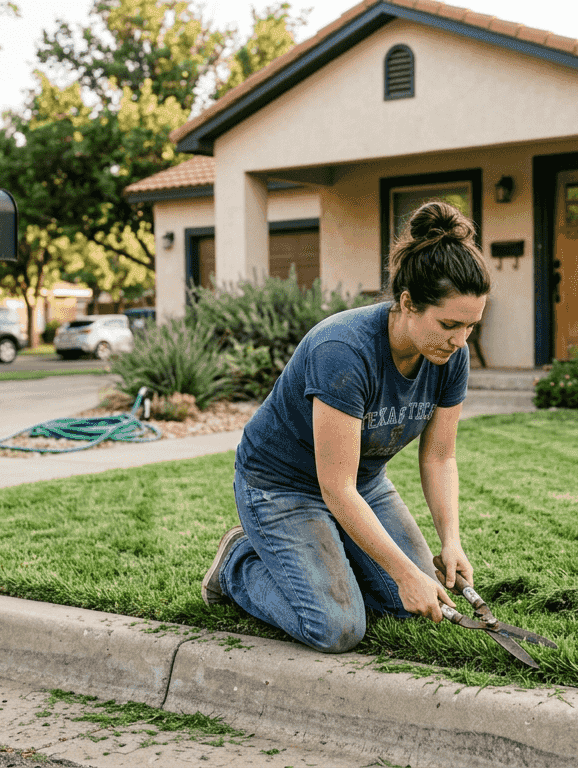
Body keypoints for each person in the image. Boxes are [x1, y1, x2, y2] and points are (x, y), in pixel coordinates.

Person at [200, 200, 491, 653]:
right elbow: (334, 488)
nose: (459, 340)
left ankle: (327, 558)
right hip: (282, 488)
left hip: (364, 484)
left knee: (415, 603)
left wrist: (450, 542)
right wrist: (403, 572)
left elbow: (440, 456)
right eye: (449, 324)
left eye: (471, 326)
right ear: (408, 302)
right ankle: (237, 564)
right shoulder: (343, 349)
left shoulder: (451, 357)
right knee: (338, 627)